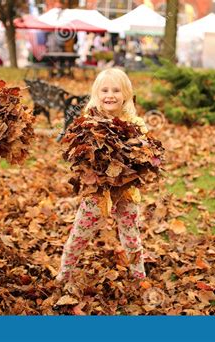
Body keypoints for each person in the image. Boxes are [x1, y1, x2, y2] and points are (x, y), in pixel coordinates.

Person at [57, 68, 149, 282]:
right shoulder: (89, 123)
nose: (110, 95)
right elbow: (77, 156)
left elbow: (143, 156)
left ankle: (138, 275)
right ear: (96, 95)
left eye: (116, 90)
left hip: (126, 192)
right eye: (104, 90)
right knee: (80, 232)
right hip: (97, 191)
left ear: (125, 94)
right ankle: (65, 272)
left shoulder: (135, 124)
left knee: (130, 234)